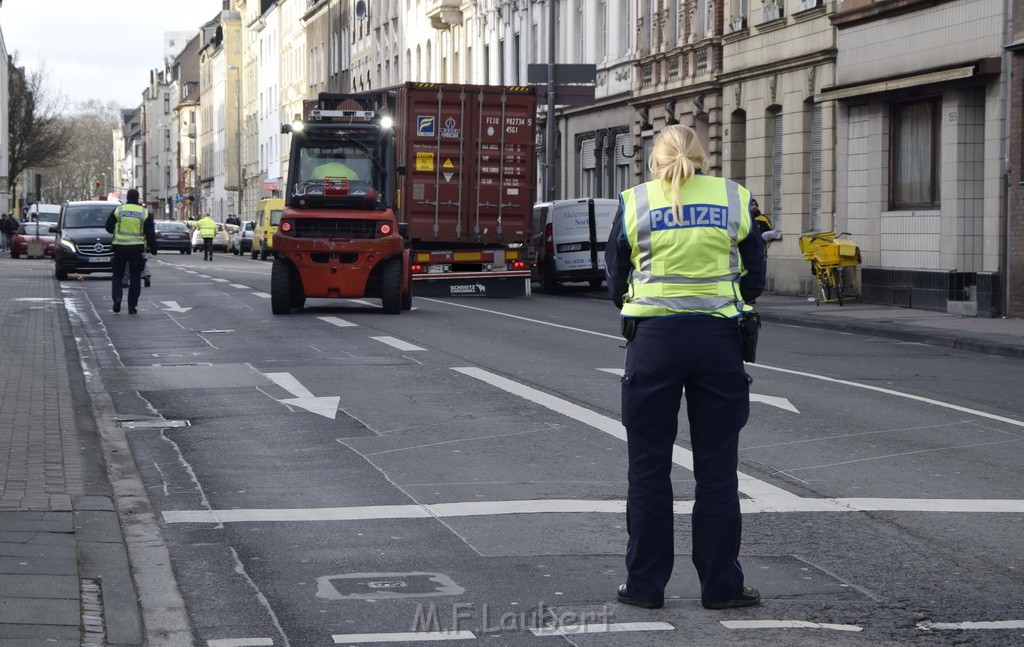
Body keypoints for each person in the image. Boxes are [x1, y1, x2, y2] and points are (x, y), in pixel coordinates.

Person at [605, 124, 766, 611]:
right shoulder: (733, 198)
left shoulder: (635, 201)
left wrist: (642, 305)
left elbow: (616, 274)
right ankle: (721, 588)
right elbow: (754, 273)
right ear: (702, 157)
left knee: (648, 468)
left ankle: (645, 586)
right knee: (718, 470)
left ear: (654, 159)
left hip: (653, 343)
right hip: (718, 341)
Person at [105, 188, 157, 315]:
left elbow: (108, 227)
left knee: (117, 275)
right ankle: (132, 306)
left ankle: (117, 298)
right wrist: (154, 248)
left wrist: (116, 232)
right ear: (138, 198)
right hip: (136, 249)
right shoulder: (143, 212)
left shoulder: (119, 210)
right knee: (135, 277)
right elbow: (150, 232)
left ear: (127, 198)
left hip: (120, 248)